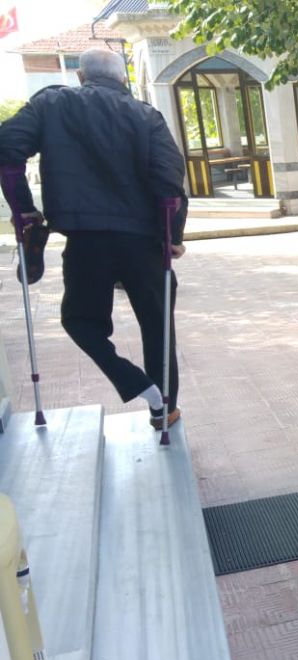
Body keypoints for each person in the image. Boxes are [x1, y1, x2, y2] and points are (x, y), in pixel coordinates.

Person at [0, 47, 186, 430]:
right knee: (158, 324)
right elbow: (170, 180)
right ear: (123, 79)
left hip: (85, 240)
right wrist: (174, 234)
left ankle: (135, 382)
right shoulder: (145, 115)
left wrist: (25, 212)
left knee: (80, 321)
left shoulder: (51, 104)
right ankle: (164, 409)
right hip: (143, 242)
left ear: (81, 77)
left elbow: (7, 148)